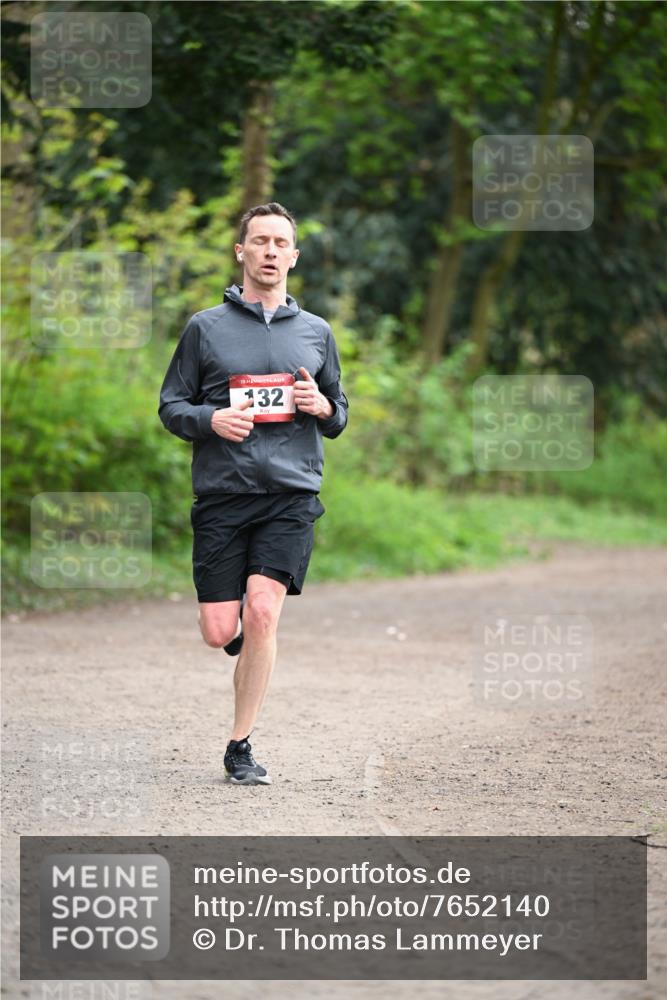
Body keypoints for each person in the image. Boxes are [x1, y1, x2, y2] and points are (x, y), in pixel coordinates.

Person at [158, 202, 348, 786]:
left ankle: (240, 744)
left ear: (293, 256)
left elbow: (338, 411)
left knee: (264, 609)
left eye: (280, 243)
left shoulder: (317, 332)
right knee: (220, 630)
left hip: (290, 496)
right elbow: (171, 406)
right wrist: (211, 420)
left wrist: (324, 408)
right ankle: (235, 633)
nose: (269, 251)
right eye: (259, 241)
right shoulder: (204, 328)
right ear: (241, 252)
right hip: (223, 496)